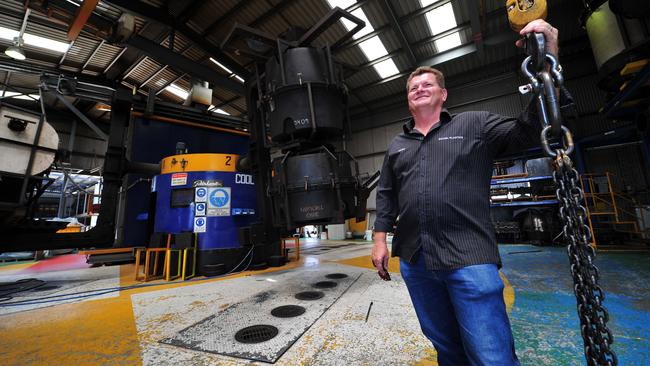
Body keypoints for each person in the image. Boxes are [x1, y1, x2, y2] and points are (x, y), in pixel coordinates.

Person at [371, 19, 563, 366]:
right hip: (416, 261)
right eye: (413, 87)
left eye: (428, 84)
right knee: (447, 350)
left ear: (443, 94)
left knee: (491, 357)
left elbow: (530, 131)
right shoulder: (397, 145)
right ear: (408, 99)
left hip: (469, 258)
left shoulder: (474, 125)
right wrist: (380, 240)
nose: (419, 89)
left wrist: (548, 56)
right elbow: (386, 194)